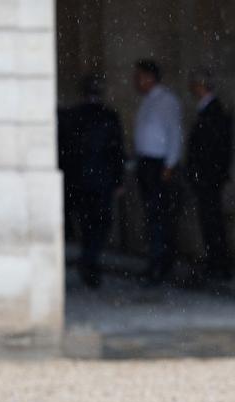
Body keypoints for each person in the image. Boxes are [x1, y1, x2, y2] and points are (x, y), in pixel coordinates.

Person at [60, 74, 126, 288]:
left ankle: (88, 260)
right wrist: (118, 180)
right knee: (99, 224)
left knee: (87, 222)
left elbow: (65, 150)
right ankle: (90, 261)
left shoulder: (72, 116)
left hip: (78, 179)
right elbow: (117, 151)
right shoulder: (109, 116)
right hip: (101, 180)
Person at [132, 59, 183, 286]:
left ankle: (161, 264)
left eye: (140, 76)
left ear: (150, 77)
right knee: (151, 216)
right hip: (146, 163)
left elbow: (174, 133)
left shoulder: (166, 101)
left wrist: (169, 165)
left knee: (159, 217)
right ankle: (154, 261)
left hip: (159, 165)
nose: (136, 81)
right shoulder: (147, 101)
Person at [186, 69, 234, 282]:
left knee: (211, 221)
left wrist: (202, 174)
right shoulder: (211, 111)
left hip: (208, 177)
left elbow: (211, 148)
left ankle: (218, 263)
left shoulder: (213, 112)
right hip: (208, 176)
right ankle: (216, 261)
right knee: (210, 221)